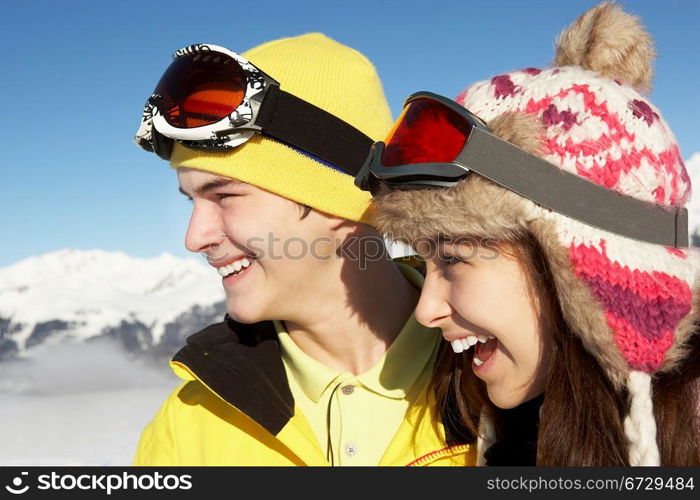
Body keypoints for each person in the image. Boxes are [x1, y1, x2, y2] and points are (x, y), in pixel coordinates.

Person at [358, 2, 700, 465]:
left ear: (583, 269)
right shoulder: (501, 428)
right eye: (425, 259)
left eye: (454, 259)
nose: (426, 311)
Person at [131, 33, 475, 466]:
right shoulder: (188, 425)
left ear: (340, 200)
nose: (194, 237)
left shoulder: (505, 385)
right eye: (191, 200)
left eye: (225, 196)